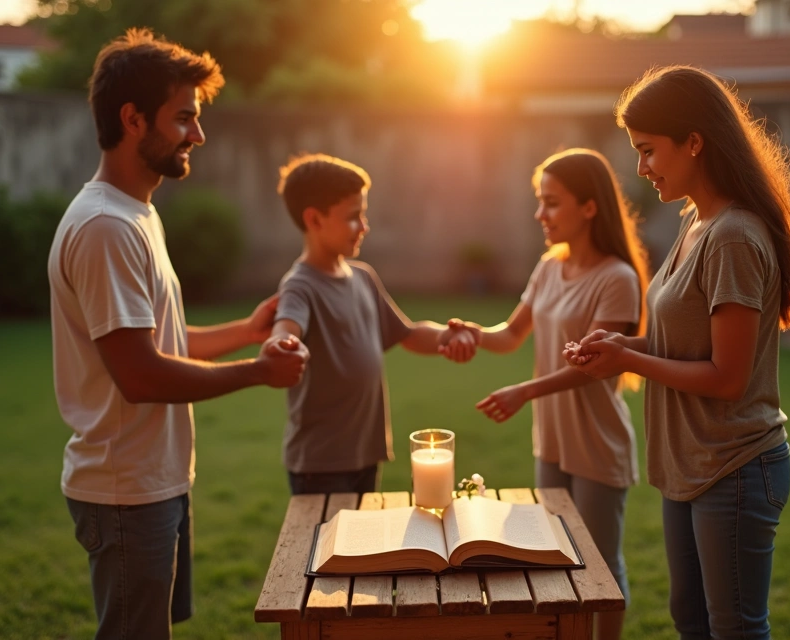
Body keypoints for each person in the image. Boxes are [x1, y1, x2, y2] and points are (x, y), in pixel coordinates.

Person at [47, 29, 309, 640]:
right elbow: (140, 376)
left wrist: (246, 332)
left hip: (152, 482)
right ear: (133, 119)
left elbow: (157, 341)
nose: (198, 134)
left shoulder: (137, 214)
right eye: (184, 118)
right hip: (125, 491)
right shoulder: (106, 227)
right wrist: (259, 373)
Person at [564, 65, 790, 640]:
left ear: (694, 143)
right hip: (691, 464)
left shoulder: (733, 236)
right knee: (691, 621)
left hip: (734, 465)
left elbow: (727, 377)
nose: (641, 168)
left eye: (648, 150)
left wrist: (629, 361)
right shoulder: (696, 222)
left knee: (734, 629)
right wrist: (623, 344)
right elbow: (685, 345)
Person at [441, 148, 649, 640]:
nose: (540, 214)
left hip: (597, 443)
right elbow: (512, 334)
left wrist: (524, 392)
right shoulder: (549, 267)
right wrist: (474, 331)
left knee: (602, 565)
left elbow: (596, 366)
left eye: (552, 203)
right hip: (552, 443)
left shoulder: (617, 279)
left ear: (589, 207)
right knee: (555, 559)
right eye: (540, 201)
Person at [269, 153, 476, 495]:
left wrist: (447, 335)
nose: (364, 226)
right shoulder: (300, 286)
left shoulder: (363, 277)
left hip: (366, 454)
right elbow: (286, 327)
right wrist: (281, 344)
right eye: (353, 217)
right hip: (321, 465)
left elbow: (407, 334)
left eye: (363, 215)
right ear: (315, 219)